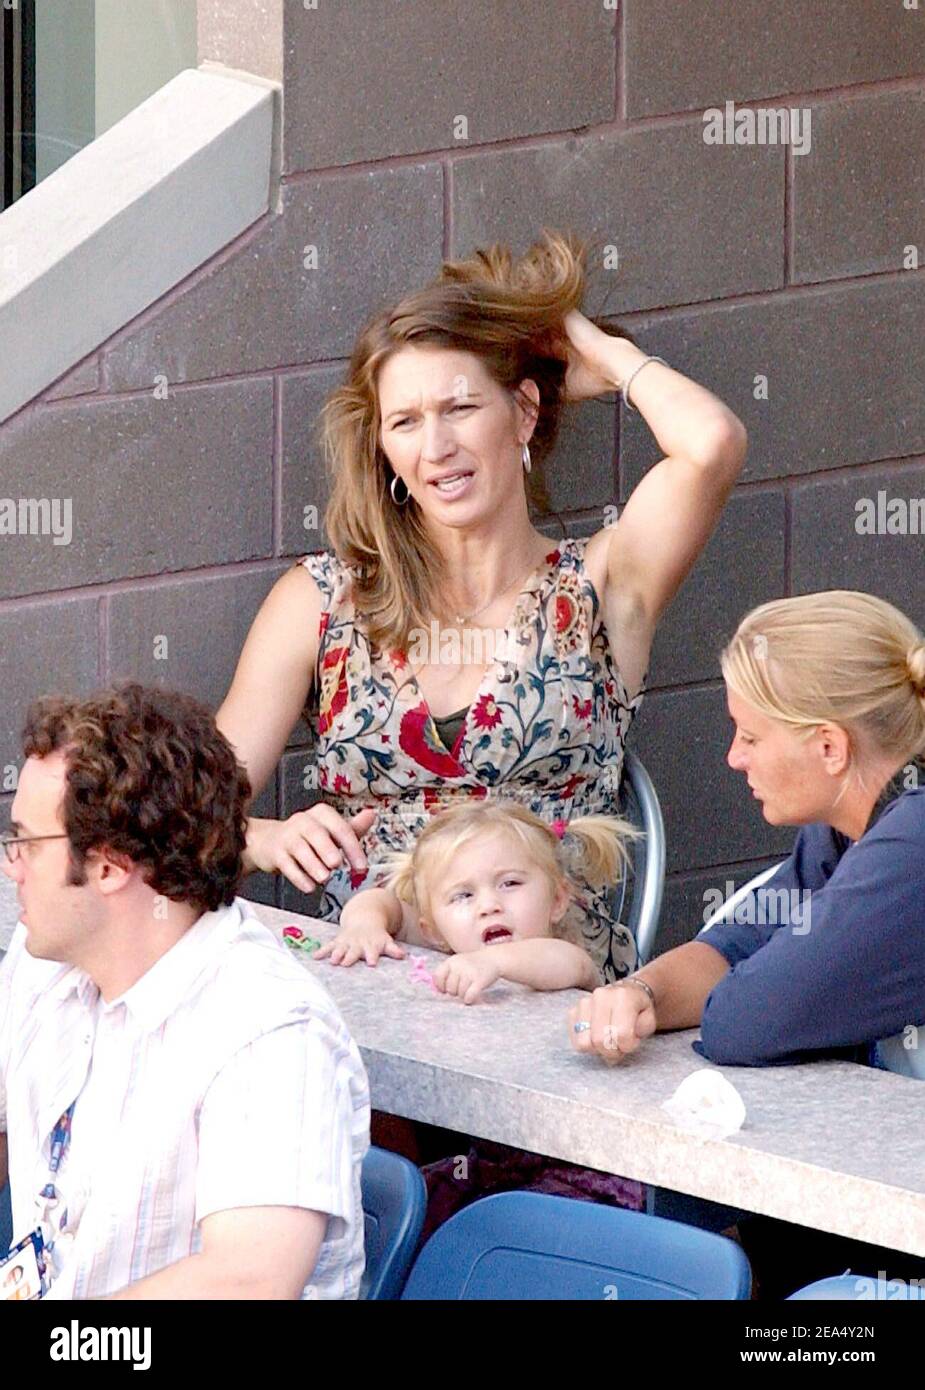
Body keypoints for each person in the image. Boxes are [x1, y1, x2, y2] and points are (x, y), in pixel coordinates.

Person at [216, 226, 747, 985]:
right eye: (404, 422)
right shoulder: (322, 602)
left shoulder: (597, 586)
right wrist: (261, 837)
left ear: (522, 415)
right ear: (385, 450)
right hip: (371, 995)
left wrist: (596, 354)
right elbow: (186, 818)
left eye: (460, 408)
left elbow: (712, 443)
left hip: (549, 1004)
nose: (435, 446)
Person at [567, 589, 925, 1295]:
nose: (732, 758)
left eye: (751, 736)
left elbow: (745, 1019)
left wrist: (722, 987)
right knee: (687, 1191)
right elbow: (729, 947)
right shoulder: (847, 823)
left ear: (828, 746)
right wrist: (638, 993)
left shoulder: (911, 842)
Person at [0, 683, 369, 1301]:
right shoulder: (48, 961)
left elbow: (249, 1284)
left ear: (110, 868)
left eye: (27, 844)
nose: (11, 866)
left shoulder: (271, 1030)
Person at [315, 800, 638, 1002]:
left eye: (510, 883)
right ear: (433, 930)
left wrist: (494, 963)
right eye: (463, 895)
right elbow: (383, 903)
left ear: (557, 900)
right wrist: (364, 926)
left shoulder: (563, 956)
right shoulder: (444, 939)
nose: (488, 905)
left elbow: (572, 964)